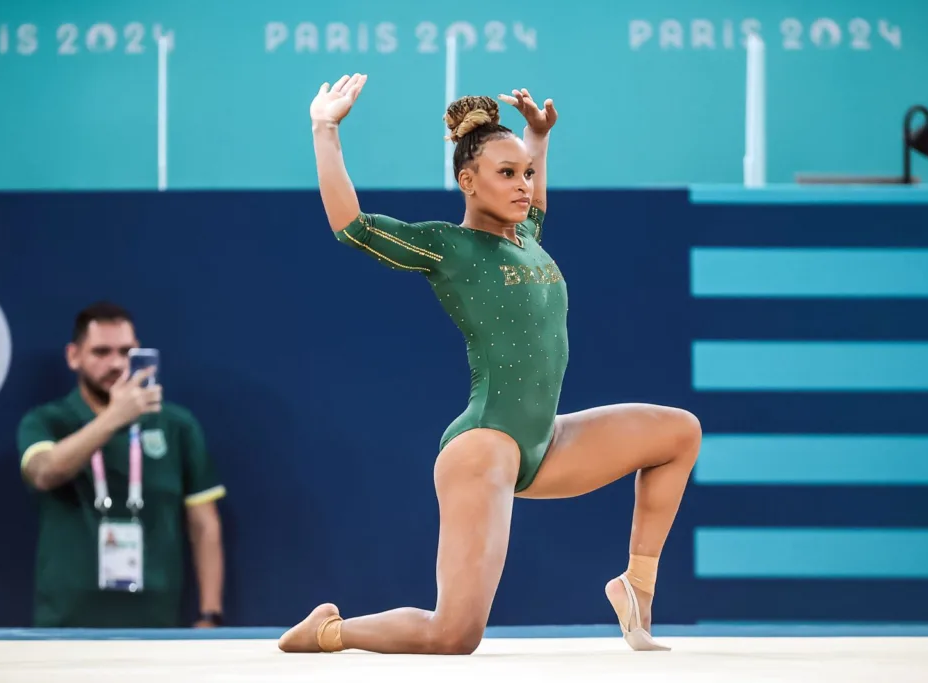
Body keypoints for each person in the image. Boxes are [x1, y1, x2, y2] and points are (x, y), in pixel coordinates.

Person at [279, 74, 701, 655]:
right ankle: (330, 630)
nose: (524, 186)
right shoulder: (449, 249)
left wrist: (536, 138)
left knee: (678, 432)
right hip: (486, 445)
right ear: (467, 182)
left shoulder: (527, 235)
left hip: (544, 443)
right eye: (507, 175)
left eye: (526, 173)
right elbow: (352, 227)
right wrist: (325, 128)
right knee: (454, 634)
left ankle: (637, 586)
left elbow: (535, 197)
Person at [16, 301, 227, 628]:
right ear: (74, 356)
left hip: (155, 621)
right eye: (101, 352)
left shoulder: (176, 425)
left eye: (126, 351)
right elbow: (44, 472)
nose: (115, 363)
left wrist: (210, 613)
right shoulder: (46, 421)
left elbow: (204, 524)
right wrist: (114, 418)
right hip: (65, 623)